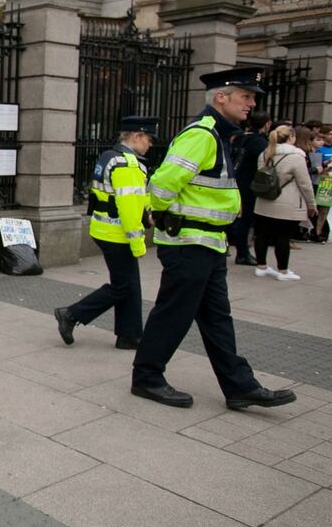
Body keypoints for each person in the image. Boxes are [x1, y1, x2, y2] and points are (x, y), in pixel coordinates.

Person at [131, 66, 297, 410]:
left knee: (217, 318)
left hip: (208, 244)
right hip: (190, 243)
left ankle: (239, 386)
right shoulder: (202, 134)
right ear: (221, 97)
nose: (251, 103)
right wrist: (166, 217)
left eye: (252, 98)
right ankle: (146, 377)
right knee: (173, 314)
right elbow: (160, 186)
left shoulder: (219, 135)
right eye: (246, 96)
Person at [54, 116, 156, 350]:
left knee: (129, 285)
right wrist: (138, 243)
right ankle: (70, 314)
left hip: (103, 228)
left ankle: (129, 335)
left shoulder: (109, 156)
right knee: (123, 286)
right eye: (148, 139)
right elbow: (129, 207)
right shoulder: (127, 163)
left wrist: (147, 212)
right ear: (137, 136)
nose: (150, 144)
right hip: (117, 233)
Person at [252, 126, 316, 281]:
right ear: (291, 137)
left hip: (263, 201)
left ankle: (261, 266)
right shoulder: (296, 157)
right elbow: (305, 184)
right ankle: (283, 270)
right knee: (283, 237)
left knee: (262, 235)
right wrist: (311, 204)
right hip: (287, 202)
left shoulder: (265, 154)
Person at [230, 111, 271, 265]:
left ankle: (238, 249)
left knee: (238, 218)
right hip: (248, 183)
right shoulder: (259, 142)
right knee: (245, 220)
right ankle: (242, 253)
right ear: (267, 124)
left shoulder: (240, 138)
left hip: (237, 180)